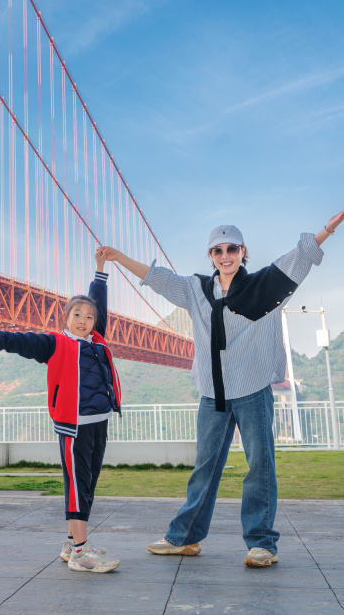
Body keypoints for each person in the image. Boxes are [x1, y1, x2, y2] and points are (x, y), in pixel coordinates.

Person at [103, 211, 344, 568]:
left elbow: (298, 258)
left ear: (243, 251)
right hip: (212, 394)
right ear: (211, 255)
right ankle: (185, 537)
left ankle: (262, 544)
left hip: (252, 391)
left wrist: (327, 230)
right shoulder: (196, 290)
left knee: (260, 466)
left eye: (232, 248)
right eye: (218, 250)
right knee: (205, 468)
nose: (225, 255)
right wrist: (118, 257)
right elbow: (158, 278)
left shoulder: (264, 285)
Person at [0, 248, 122, 573]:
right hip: (74, 424)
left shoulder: (97, 341)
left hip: (99, 421)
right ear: (66, 319)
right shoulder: (57, 343)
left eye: (89, 317)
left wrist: (100, 269)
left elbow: (99, 302)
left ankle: (71, 544)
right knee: (77, 484)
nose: (84, 320)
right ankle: (82, 553)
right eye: (77, 315)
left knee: (88, 483)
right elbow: (26, 342)